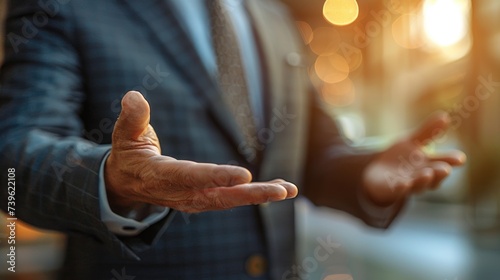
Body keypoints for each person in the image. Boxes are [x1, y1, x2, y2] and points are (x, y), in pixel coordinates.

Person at [0, 0, 465, 279]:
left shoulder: (273, 17)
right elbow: (13, 155)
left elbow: (315, 153)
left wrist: (366, 174)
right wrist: (111, 181)